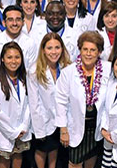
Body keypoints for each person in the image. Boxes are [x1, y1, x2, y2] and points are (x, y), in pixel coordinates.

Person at [56, 31, 112, 168]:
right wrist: (63, 129)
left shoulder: (108, 68)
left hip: (96, 127)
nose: (88, 53)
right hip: (76, 125)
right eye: (85, 49)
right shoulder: (68, 72)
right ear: (80, 50)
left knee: (91, 160)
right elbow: (60, 101)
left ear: (99, 52)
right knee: (75, 162)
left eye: (93, 50)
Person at [28, 33, 71, 168]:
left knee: (54, 150)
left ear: (62, 49)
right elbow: (34, 103)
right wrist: (39, 130)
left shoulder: (67, 67)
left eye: (57, 48)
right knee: (42, 151)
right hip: (43, 120)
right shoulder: (34, 70)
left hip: (62, 120)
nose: (54, 52)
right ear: (43, 50)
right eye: (49, 48)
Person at [0, 42, 31, 168]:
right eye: (9, 57)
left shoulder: (25, 77)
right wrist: (12, 132)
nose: (14, 61)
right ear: (2, 59)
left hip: (22, 128)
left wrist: (24, 126)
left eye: (17, 57)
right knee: (5, 158)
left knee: (18, 155)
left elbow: (29, 105)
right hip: (4, 131)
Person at [0, 5, 38, 70]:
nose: (14, 23)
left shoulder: (30, 43)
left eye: (18, 20)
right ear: (4, 23)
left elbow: (31, 71)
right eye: (10, 20)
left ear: (23, 23)